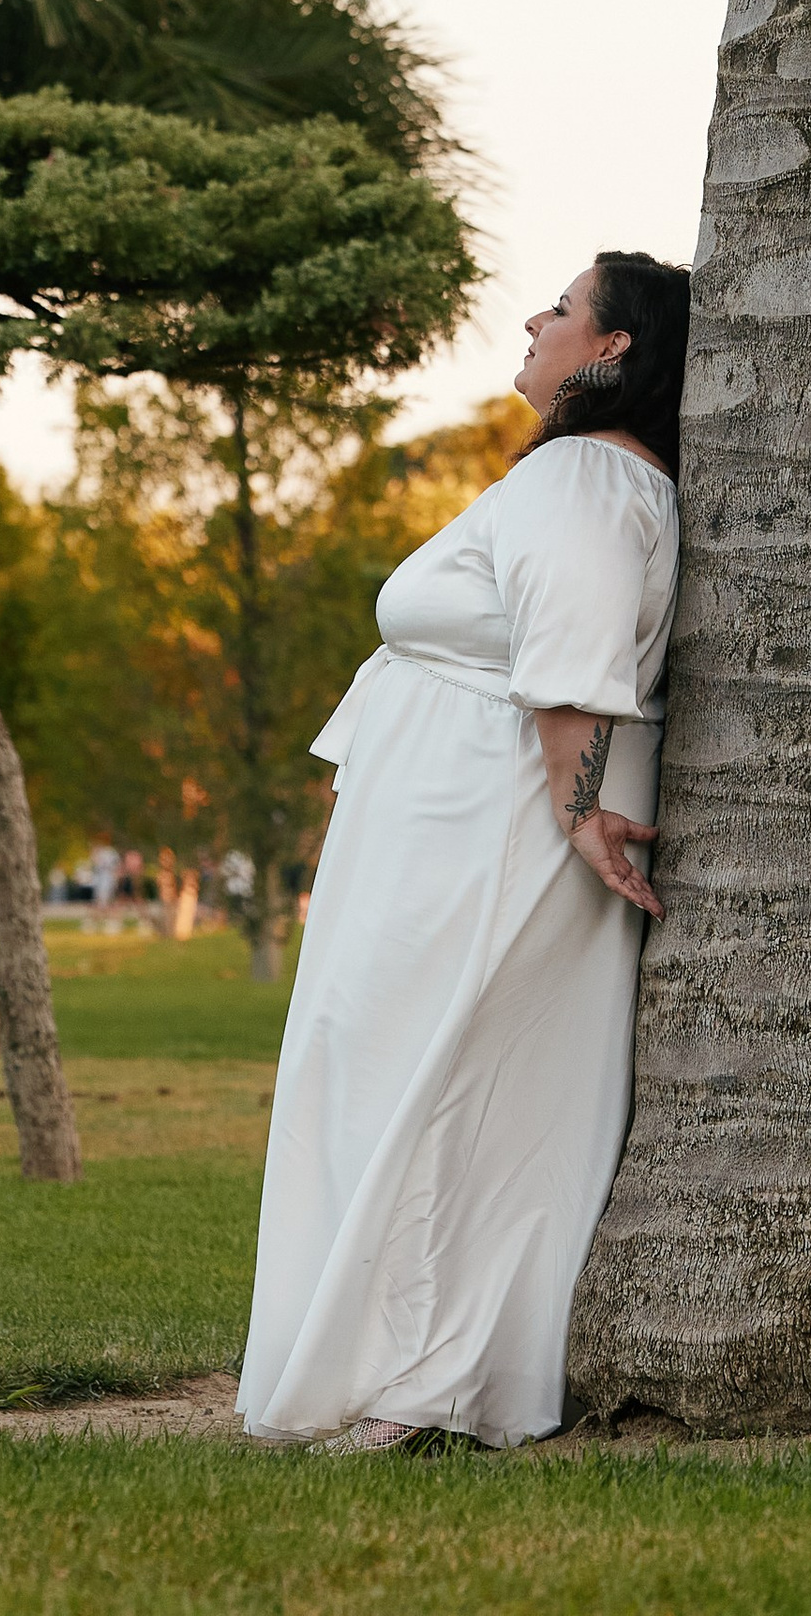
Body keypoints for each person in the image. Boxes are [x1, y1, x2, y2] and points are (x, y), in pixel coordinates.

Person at [237, 249, 688, 1452]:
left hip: (494, 823)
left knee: (443, 1077)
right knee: (402, 1068)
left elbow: (573, 642)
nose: (535, 318)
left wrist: (576, 808)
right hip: (454, 818)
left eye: (564, 307)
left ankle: (426, 1383)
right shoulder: (578, 472)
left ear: (613, 349)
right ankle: (393, 1366)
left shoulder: (588, 476)